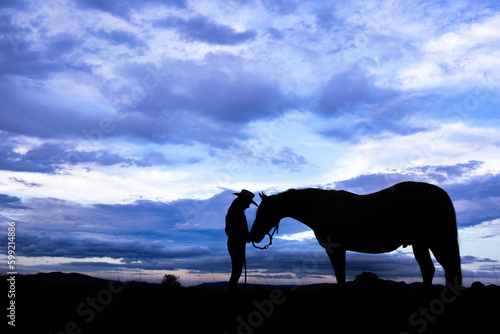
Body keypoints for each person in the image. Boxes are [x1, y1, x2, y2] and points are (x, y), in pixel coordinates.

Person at [225, 189, 258, 293]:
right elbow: (232, 231)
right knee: (237, 269)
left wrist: (246, 237)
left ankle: (233, 291)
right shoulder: (236, 213)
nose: (248, 206)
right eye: (248, 203)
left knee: (237, 269)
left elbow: (233, 231)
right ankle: (233, 292)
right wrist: (247, 237)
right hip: (236, 244)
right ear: (243, 201)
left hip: (235, 243)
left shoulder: (234, 212)